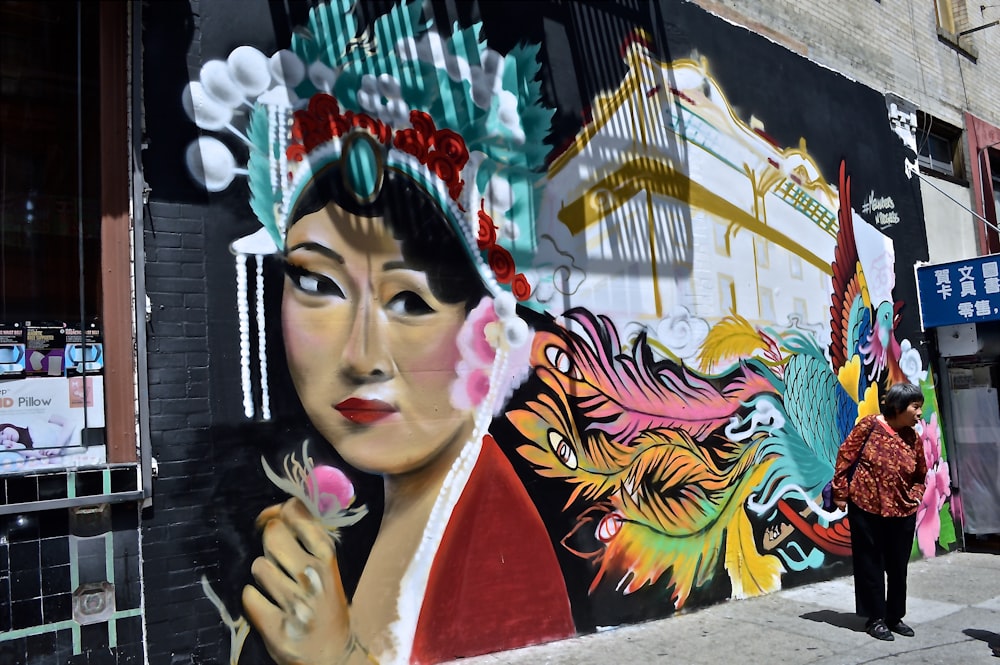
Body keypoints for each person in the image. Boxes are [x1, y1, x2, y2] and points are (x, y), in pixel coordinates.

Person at [238, 133, 575, 665]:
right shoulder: (410, 512)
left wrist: (334, 658)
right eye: (320, 285)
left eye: (410, 301)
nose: (361, 356)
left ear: (488, 335)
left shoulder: (497, 554)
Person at [831, 382, 927, 641]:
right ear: (897, 407)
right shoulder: (870, 425)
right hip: (866, 507)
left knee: (898, 567)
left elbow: (921, 474)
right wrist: (840, 493)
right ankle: (875, 618)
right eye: (915, 407)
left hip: (902, 511)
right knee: (870, 564)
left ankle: (894, 617)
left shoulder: (912, 437)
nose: (919, 413)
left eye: (920, 407)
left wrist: (915, 497)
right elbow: (845, 456)